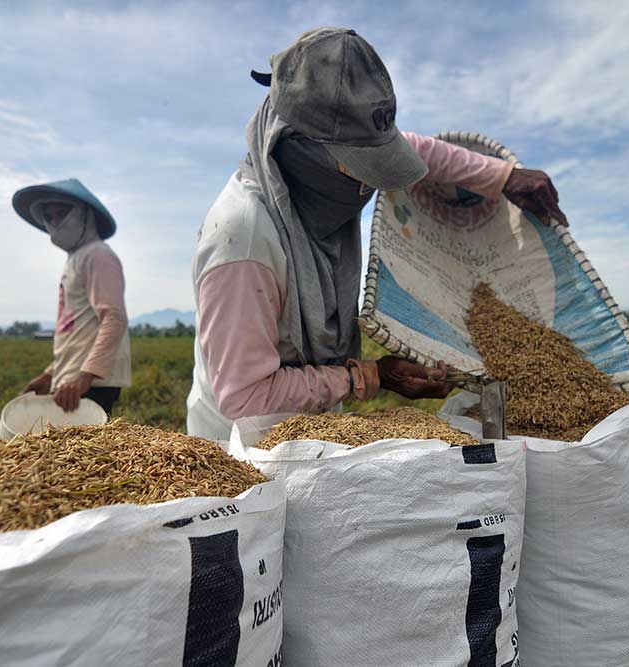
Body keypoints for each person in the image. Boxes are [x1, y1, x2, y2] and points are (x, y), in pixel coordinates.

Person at [186, 27, 566, 440]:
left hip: (313, 436)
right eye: (358, 169)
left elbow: (418, 150)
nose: (367, 187)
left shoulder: (313, 197)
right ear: (299, 146)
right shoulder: (244, 238)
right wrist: (369, 376)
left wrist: (502, 175)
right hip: (244, 454)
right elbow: (245, 398)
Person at [13, 178, 132, 415]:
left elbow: (114, 318)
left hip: (91, 383)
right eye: (50, 217)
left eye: (63, 213)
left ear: (85, 215)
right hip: (72, 380)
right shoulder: (77, 258)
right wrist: (50, 374)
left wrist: (85, 376)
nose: (56, 222)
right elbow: (76, 330)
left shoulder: (97, 255)